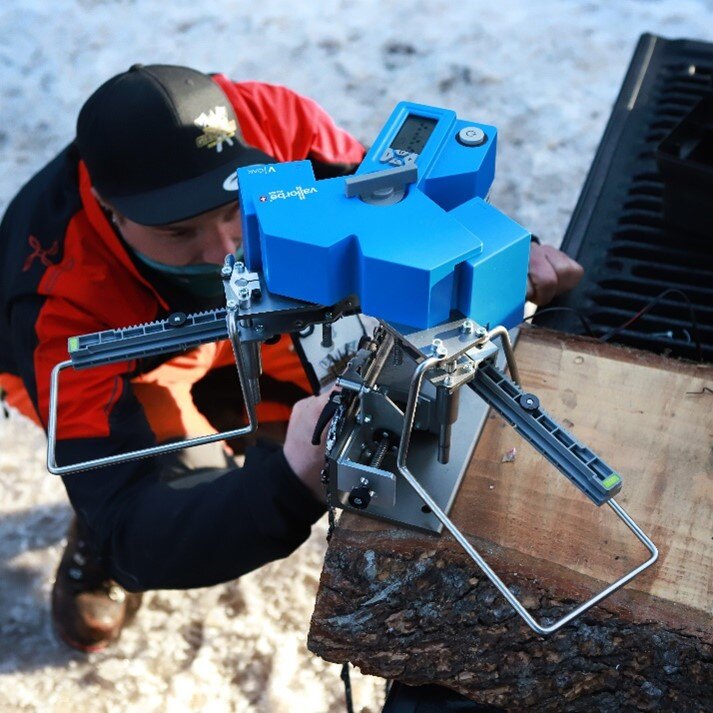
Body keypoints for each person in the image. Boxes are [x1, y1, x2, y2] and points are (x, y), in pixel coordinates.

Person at [0, 64, 583, 652]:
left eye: (234, 209)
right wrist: (289, 482)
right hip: (134, 365)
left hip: (261, 321)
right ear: (109, 207)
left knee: (332, 413)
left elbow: (389, 206)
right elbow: (132, 527)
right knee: (164, 495)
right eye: (180, 234)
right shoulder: (56, 299)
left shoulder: (272, 122)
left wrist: (487, 253)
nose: (224, 249)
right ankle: (90, 541)